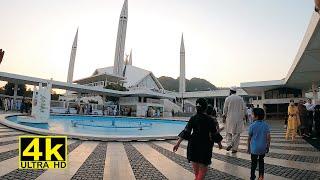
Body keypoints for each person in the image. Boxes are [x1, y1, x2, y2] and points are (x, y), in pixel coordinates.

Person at [173, 98, 223, 180]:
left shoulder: (193, 118)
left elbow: (186, 131)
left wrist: (177, 144)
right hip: (205, 146)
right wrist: (220, 144)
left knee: (197, 174)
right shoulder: (210, 119)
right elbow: (215, 134)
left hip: (193, 146)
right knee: (202, 172)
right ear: (205, 107)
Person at [247, 108, 271, 180]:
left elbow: (249, 138)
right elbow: (268, 137)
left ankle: (252, 176)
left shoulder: (252, 126)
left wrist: (248, 148)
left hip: (254, 148)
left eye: (253, 114)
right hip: (262, 148)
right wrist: (268, 146)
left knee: (253, 163)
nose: (252, 115)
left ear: (256, 116)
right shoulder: (266, 125)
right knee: (261, 162)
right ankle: (261, 177)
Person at [223, 86, 246, 153]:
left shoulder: (227, 98)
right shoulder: (240, 99)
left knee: (228, 132)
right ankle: (234, 149)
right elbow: (244, 108)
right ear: (235, 91)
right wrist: (243, 116)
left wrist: (224, 116)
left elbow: (225, 109)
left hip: (230, 118)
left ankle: (229, 144)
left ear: (230, 91)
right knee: (237, 134)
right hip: (238, 119)